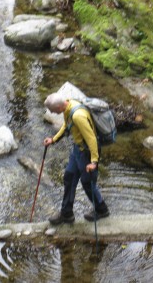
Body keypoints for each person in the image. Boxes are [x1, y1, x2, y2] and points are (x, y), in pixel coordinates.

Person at [43, 92, 110, 225]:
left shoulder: (78, 116)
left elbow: (92, 139)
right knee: (69, 177)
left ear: (59, 108)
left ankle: (102, 209)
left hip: (87, 153)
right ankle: (66, 213)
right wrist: (54, 139)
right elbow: (67, 125)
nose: (53, 113)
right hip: (77, 150)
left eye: (52, 111)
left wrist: (94, 162)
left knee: (87, 183)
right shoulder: (68, 106)